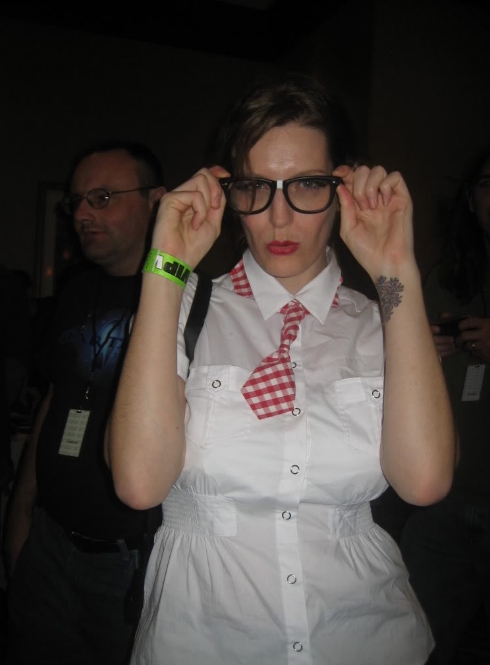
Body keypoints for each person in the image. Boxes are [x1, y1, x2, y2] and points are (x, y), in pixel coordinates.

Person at [106, 72, 456, 665]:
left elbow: (424, 481)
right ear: (230, 193)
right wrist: (165, 266)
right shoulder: (182, 310)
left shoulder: (382, 321)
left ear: (342, 187)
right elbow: (139, 484)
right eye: (255, 188)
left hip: (368, 639)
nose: (279, 218)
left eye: (307, 186)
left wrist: (396, 268)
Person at [4, 140, 166, 665]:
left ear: (157, 202)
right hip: (48, 542)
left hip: (126, 561)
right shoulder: (76, 291)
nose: (81, 215)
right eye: (77, 201)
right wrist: (21, 513)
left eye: (103, 198)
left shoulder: (190, 299)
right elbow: (56, 400)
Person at [400, 148, 490, 664]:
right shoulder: (446, 278)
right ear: (471, 199)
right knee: (420, 642)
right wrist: (421, 352)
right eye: (488, 184)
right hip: (445, 500)